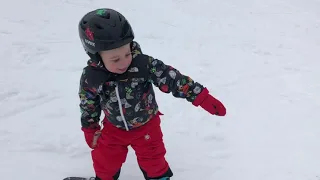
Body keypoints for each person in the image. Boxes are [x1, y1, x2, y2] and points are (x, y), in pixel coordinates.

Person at [77, 8, 227, 180]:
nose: (124, 61)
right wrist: (90, 128)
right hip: (113, 129)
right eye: (115, 59)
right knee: (104, 161)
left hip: (147, 126)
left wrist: (201, 97)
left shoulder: (143, 64)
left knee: (154, 161)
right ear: (96, 57)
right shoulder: (92, 77)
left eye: (127, 53)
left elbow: (173, 80)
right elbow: (88, 103)